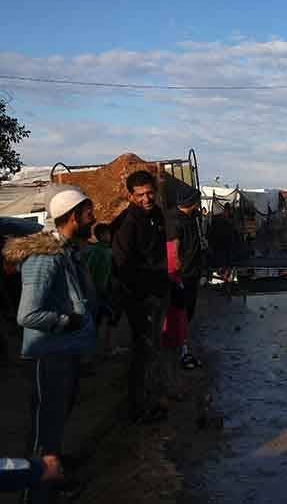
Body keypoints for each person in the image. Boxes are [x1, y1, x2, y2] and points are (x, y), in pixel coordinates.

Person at [4, 188, 97, 503]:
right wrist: (66, 321)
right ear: (72, 217)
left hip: (65, 351)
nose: (93, 219)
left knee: (55, 424)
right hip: (50, 354)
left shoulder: (67, 251)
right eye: (88, 213)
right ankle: (36, 494)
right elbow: (27, 314)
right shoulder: (45, 258)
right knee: (45, 430)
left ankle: (50, 482)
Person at [112, 170, 169, 423]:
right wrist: (140, 298)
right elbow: (123, 266)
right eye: (140, 195)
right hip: (140, 298)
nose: (146, 198)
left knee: (154, 349)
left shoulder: (156, 215)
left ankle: (151, 400)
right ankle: (138, 409)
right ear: (130, 195)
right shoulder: (128, 223)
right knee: (142, 353)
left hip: (157, 292)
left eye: (149, 193)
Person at [165, 185, 205, 369]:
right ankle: (179, 344)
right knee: (182, 309)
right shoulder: (175, 220)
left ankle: (181, 339)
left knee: (188, 309)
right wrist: (177, 274)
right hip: (184, 274)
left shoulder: (190, 217)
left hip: (193, 271)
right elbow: (174, 249)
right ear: (191, 202)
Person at [84, 223, 117, 355]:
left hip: (97, 289)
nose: (110, 236)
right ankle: (106, 348)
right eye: (108, 234)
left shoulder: (94, 249)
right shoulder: (104, 251)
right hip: (101, 290)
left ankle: (96, 349)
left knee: (99, 320)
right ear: (103, 235)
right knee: (108, 318)